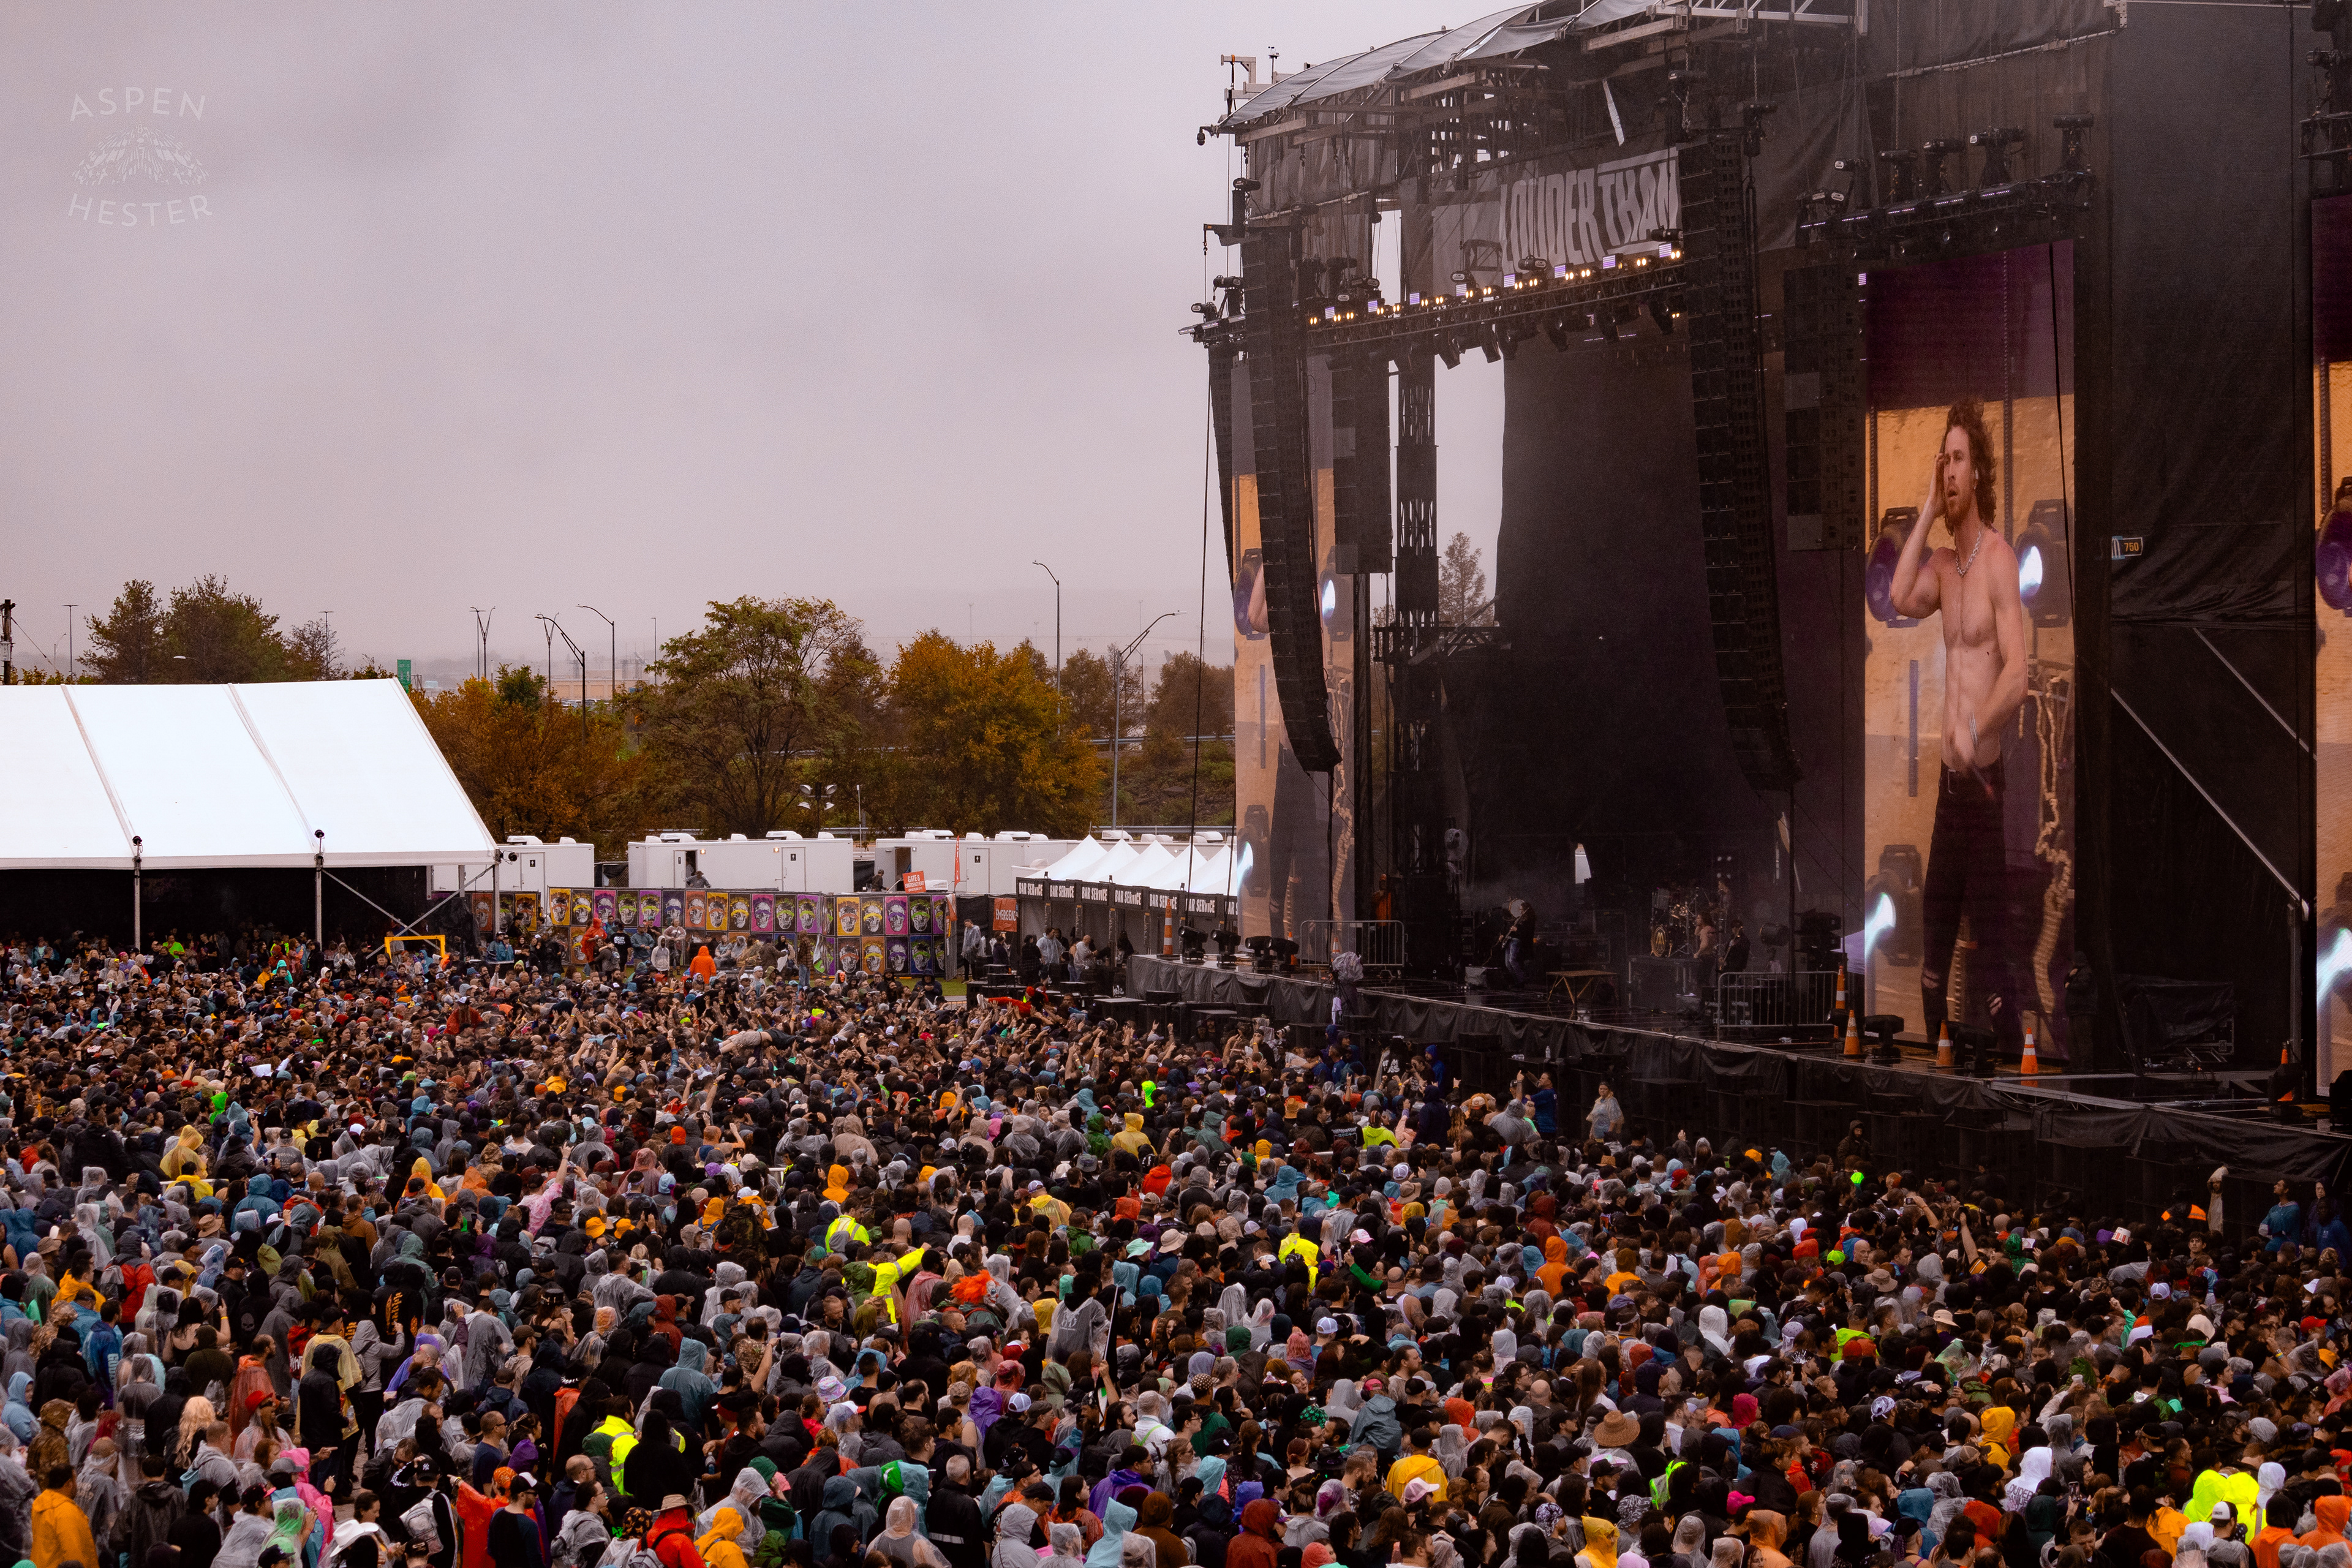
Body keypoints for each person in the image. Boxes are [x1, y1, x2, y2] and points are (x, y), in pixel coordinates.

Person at [1888, 396, 2029, 1069]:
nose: (1948, 471)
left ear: (1980, 473)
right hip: (1950, 788)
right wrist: (1922, 507)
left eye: (1958, 459)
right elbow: (1894, 598)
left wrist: (1976, 724)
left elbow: (2020, 672)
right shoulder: (1943, 569)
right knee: (1933, 944)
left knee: (1995, 953)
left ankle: (2009, 1073)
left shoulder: (1999, 561)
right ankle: (1940, 1068)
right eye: (1942, 460)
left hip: (1986, 784)